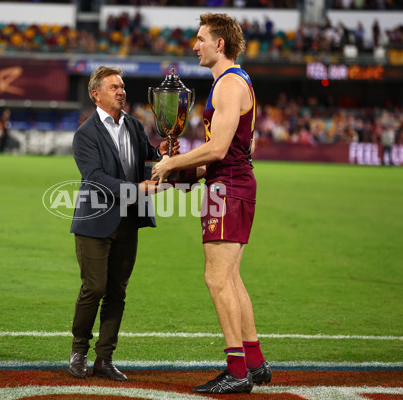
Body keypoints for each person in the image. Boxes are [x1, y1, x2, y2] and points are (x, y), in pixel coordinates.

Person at [151, 13, 271, 394]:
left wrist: (171, 162)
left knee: (216, 277)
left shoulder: (228, 85)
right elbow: (225, 152)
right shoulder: (235, 81)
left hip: (229, 188)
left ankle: (237, 372)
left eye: (201, 38)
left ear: (220, 44)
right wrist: (184, 170)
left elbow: (219, 149)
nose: (194, 45)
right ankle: (255, 363)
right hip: (232, 184)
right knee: (230, 276)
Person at [69, 66, 167, 382]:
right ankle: (78, 352)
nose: (121, 91)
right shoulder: (85, 134)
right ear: (96, 94)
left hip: (128, 221)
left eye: (122, 86)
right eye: (114, 87)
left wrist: (163, 154)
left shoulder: (136, 127)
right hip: (95, 221)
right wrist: (135, 189)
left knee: (117, 291)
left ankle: (105, 359)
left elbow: (147, 159)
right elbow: (94, 177)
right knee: (94, 287)